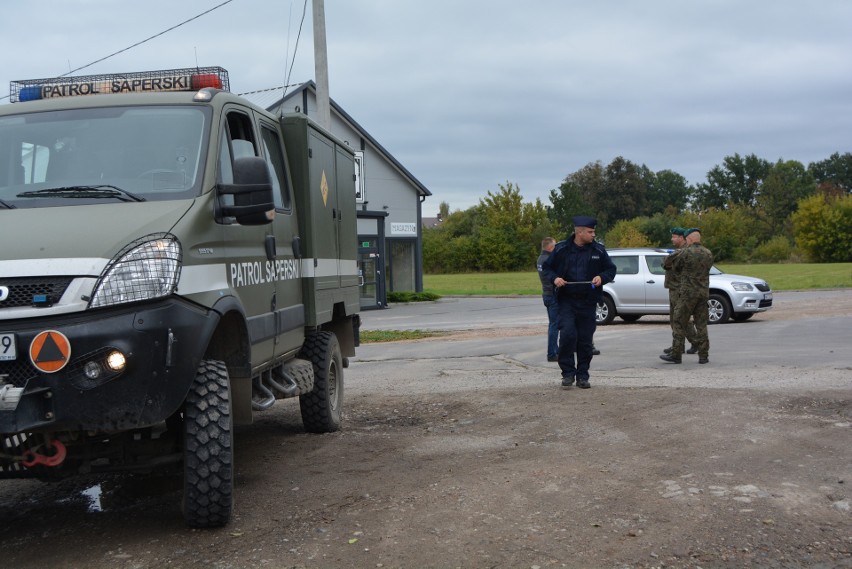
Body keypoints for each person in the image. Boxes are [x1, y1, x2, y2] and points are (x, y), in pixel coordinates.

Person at [541, 216, 616, 388]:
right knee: (567, 335)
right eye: (590, 232)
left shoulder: (598, 250)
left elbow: (611, 269)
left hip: (588, 301)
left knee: (585, 340)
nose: (593, 234)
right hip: (566, 301)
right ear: (579, 232)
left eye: (593, 231)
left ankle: (583, 375)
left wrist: (601, 277)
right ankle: (567, 373)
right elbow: (547, 268)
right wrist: (555, 279)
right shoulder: (561, 249)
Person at [660, 228, 713, 365]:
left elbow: (672, 266)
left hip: (688, 294)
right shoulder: (708, 253)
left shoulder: (685, 252)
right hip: (703, 292)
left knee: (678, 320)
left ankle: (676, 354)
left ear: (689, 239)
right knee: (701, 324)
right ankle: (703, 355)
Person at [662, 227, 698, 356]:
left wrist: (668, 262)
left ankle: (695, 342)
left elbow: (667, 263)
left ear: (682, 238)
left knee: (681, 318)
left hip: (680, 289)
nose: (672, 239)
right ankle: (678, 345)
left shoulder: (684, 252)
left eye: (674, 237)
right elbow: (666, 264)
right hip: (673, 288)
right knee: (674, 319)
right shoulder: (678, 251)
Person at [537, 237, 559, 362]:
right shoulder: (549, 260)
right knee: (554, 325)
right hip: (552, 294)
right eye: (555, 246)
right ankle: (552, 353)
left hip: (546, 293)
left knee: (553, 324)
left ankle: (555, 350)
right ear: (550, 247)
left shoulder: (540, 259)